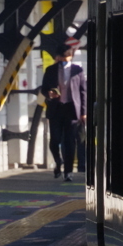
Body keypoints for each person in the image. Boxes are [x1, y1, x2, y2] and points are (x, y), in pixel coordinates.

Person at [39, 42, 86, 181]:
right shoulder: (50, 70)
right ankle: (58, 161)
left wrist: (84, 112)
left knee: (70, 141)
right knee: (55, 140)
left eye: (68, 59)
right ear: (58, 57)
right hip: (56, 108)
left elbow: (84, 92)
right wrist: (49, 94)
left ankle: (68, 172)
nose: (65, 62)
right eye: (62, 59)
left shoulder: (78, 70)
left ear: (71, 57)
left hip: (72, 109)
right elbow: (43, 89)